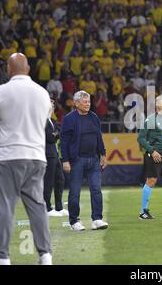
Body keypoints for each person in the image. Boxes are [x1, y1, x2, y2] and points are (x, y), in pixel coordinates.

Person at [0, 53, 53, 265]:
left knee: (5, 205)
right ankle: (45, 255)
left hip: (10, 156)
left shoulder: (2, 91)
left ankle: (1, 256)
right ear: (28, 69)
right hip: (37, 157)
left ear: (9, 70)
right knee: (37, 206)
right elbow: (46, 116)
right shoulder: (41, 92)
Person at [60, 90, 108, 231]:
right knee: (74, 192)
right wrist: (65, 160)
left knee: (96, 190)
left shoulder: (93, 117)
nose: (88, 104)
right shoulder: (69, 119)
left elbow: (98, 137)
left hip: (93, 159)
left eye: (89, 101)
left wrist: (103, 154)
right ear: (76, 103)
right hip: (77, 160)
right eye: (85, 101)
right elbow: (64, 141)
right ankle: (74, 221)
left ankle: (97, 219)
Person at [136, 96, 162, 219]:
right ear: (158, 106)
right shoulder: (151, 119)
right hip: (155, 154)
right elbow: (140, 138)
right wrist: (152, 151)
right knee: (152, 180)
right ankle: (143, 211)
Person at [43, 98, 67, 217]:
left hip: (55, 154)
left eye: (53, 106)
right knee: (48, 181)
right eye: (50, 105)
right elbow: (51, 138)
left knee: (60, 180)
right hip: (47, 154)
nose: (52, 107)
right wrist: (56, 135)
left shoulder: (52, 120)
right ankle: (47, 207)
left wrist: (56, 134)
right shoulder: (42, 121)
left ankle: (59, 207)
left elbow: (59, 133)